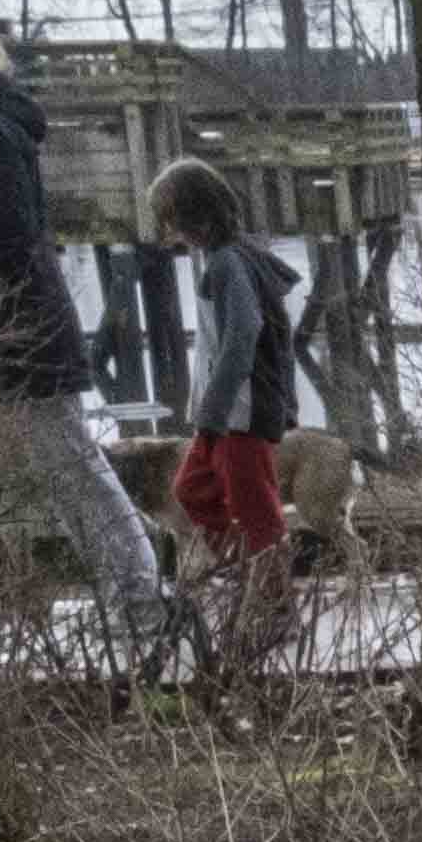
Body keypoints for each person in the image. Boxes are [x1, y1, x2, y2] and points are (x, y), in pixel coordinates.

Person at [0, 6, 173, 650]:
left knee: (72, 474)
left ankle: (141, 611)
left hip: (15, 347)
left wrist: (0, 338)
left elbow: (12, 248)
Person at [145, 159, 305, 665]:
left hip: (239, 413)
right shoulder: (222, 258)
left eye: (169, 218)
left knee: (258, 511)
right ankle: (255, 573)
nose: (165, 230)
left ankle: (278, 608)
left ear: (196, 217)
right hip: (220, 414)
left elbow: (243, 336)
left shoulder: (229, 264)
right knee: (191, 490)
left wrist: (213, 406)